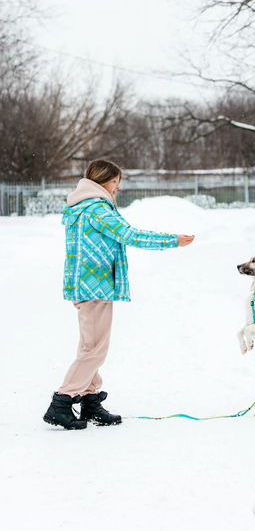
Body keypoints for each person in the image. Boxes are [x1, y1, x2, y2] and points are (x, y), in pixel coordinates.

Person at [43, 159, 194, 430]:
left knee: (90, 346)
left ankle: (90, 401)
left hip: (85, 285)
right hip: (95, 286)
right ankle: (62, 403)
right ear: (103, 181)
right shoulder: (98, 209)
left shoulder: (81, 206)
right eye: (115, 183)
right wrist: (172, 240)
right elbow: (130, 235)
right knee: (95, 350)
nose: (117, 188)